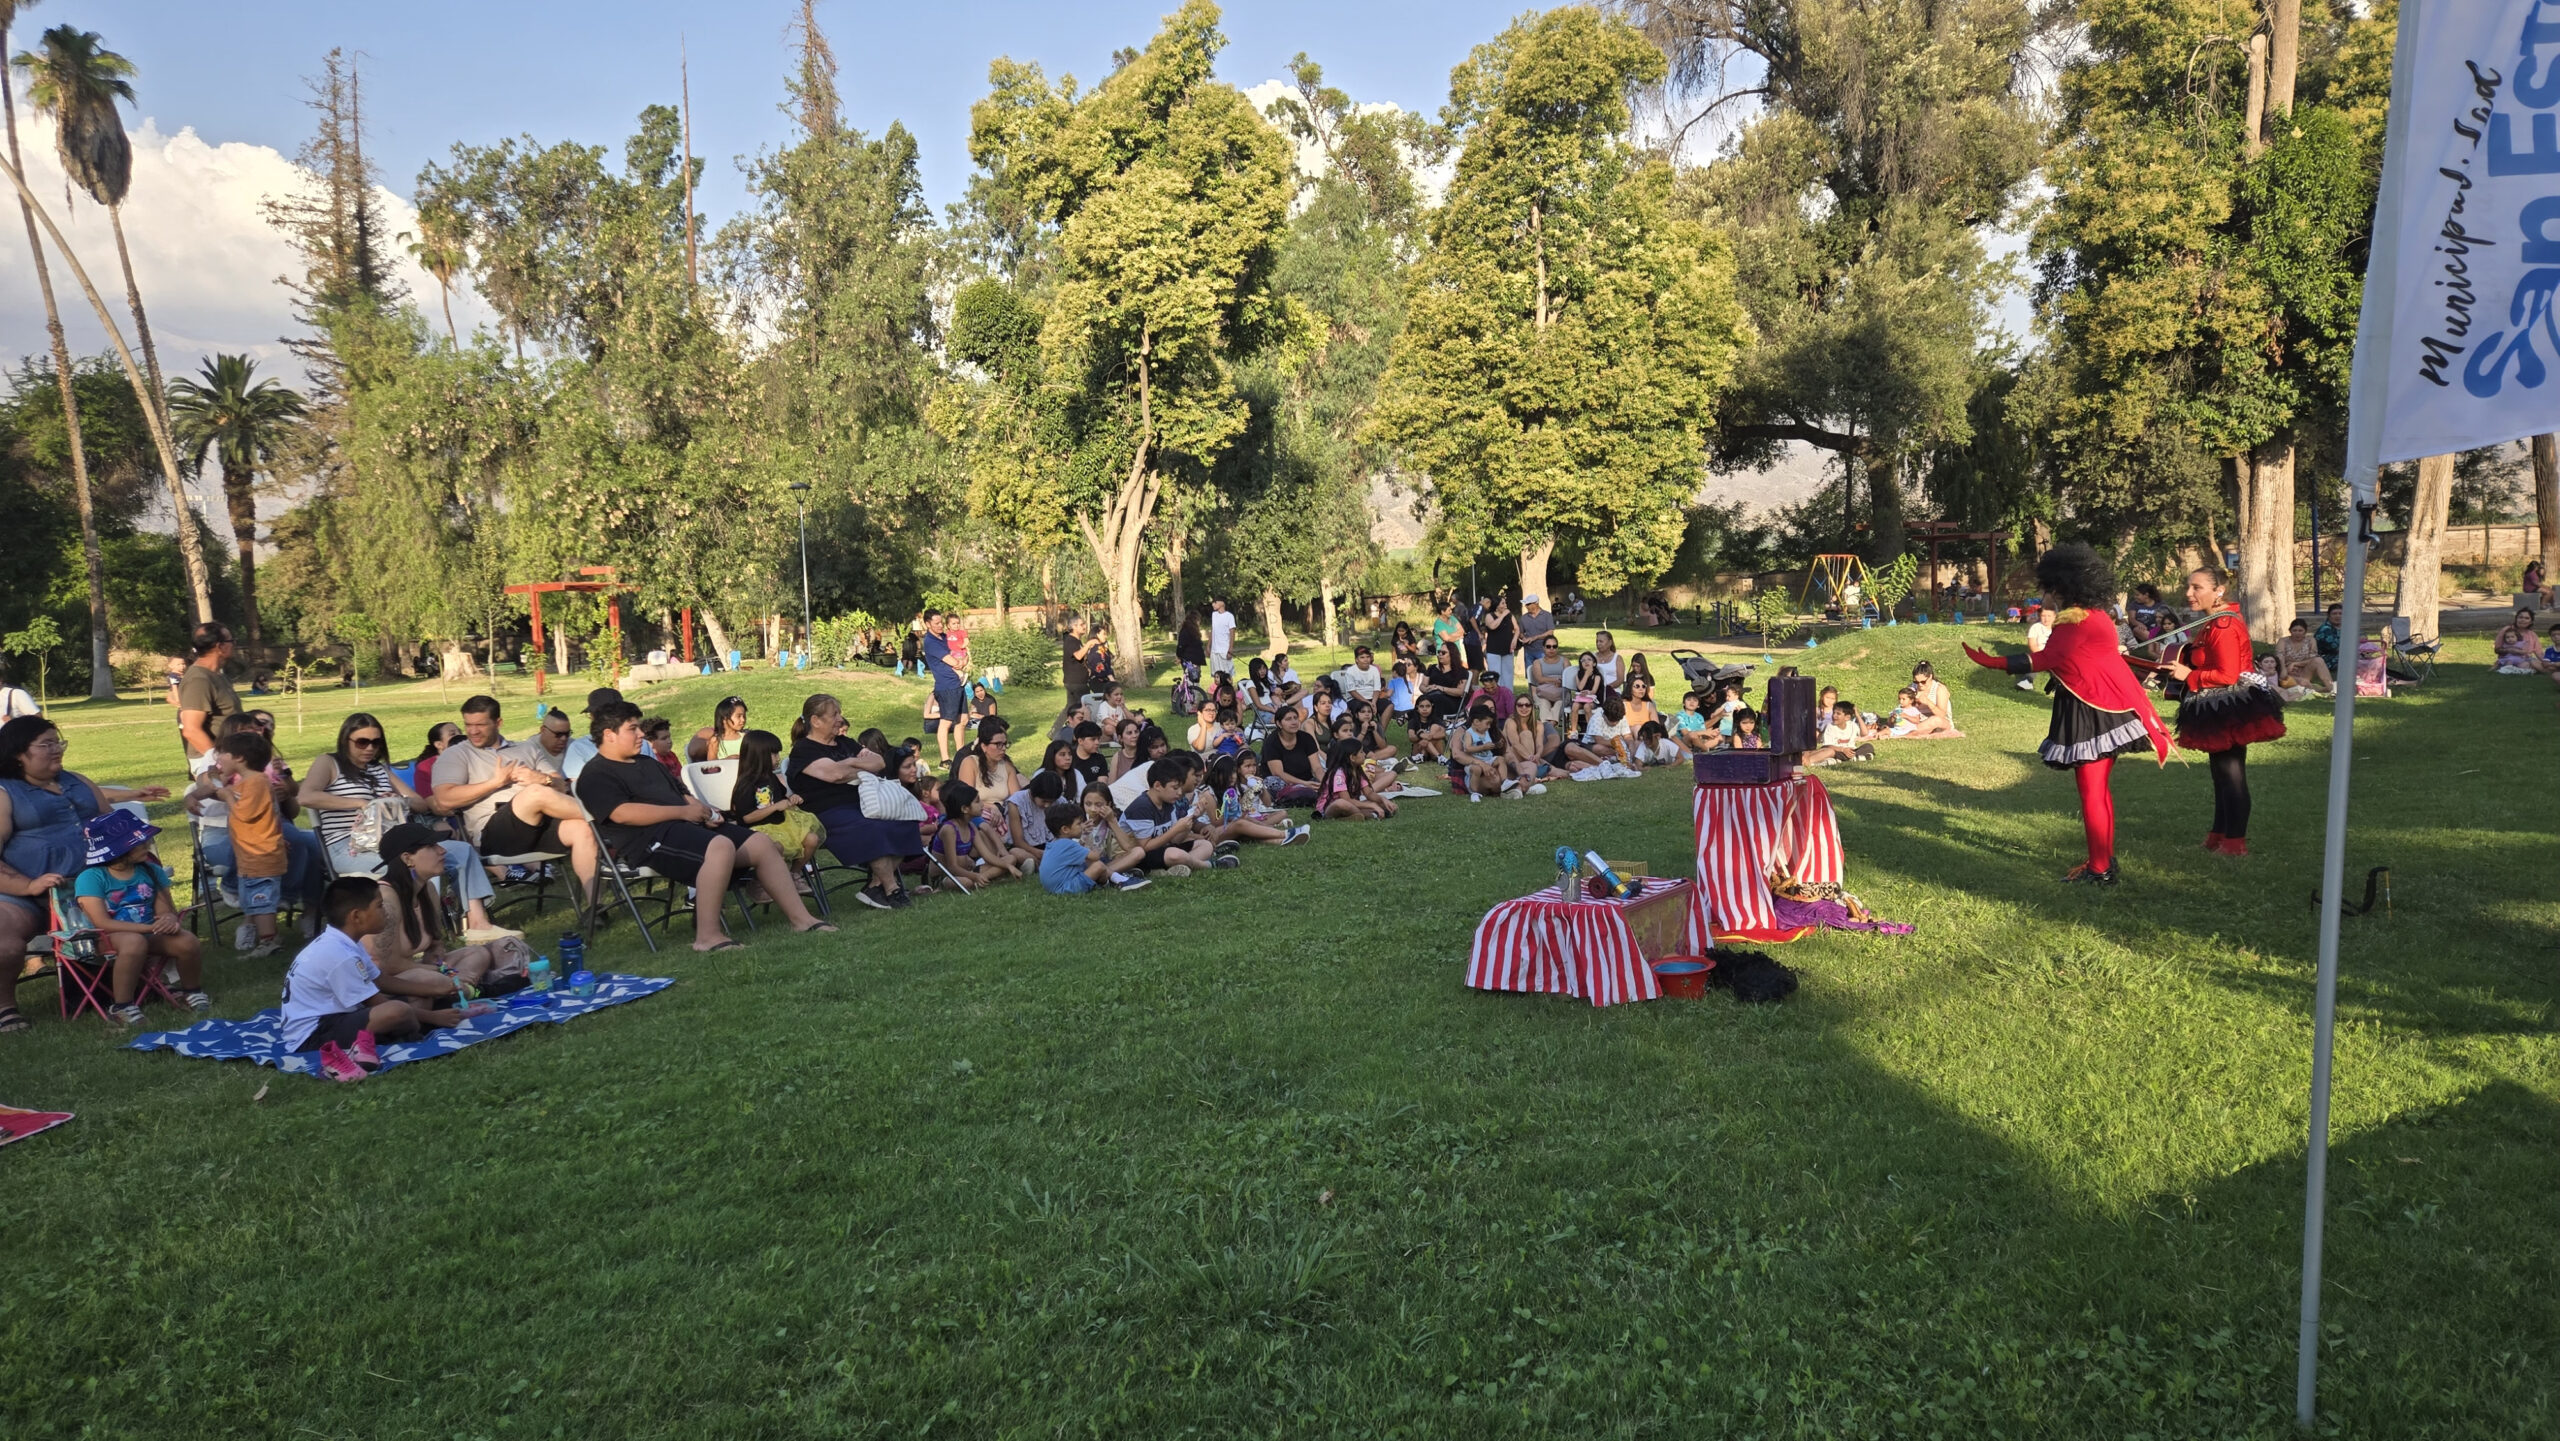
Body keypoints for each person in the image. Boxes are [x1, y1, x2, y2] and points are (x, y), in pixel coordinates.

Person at [1963, 544, 2172, 883]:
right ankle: (2102, 861)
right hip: (2099, 707)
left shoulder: (2075, 622)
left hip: (2093, 711)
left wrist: (1993, 662)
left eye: (2050, 588)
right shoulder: (2097, 615)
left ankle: (2100, 869)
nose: (2048, 594)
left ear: (2063, 586)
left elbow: (2044, 659)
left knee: (2092, 791)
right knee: (2098, 791)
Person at [576, 700, 835, 950]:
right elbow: (622, 813)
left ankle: (802, 920)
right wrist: (683, 812)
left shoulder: (648, 763)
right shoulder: (596, 774)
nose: (641, 734)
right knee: (720, 846)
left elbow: (681, 792)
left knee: (760, 843)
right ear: (609, 734)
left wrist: (705, 812)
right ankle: (707, 937)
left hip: (687, 826)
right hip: (649, 840)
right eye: (632, 729)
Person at [0, 716, 169, 1034]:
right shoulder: (5, 792)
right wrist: (27, 884)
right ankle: (4, 1007)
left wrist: (140, 860)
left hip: (98, 886)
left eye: (58, 741)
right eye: (46, 744)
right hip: (28, 891)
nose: (57, 749)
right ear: (18, 754)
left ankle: (153, 983)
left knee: (153, 904)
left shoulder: (78, 781)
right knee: (3, 941)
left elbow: (116, 829)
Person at [300, 712, 498, 931]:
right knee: (418, 863)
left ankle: (479, 924)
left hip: (394, 845)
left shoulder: (380, 769)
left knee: (461, 851)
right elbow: (306, 796)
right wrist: (361, 802)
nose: (369, 748)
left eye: (376, 742)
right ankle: (423, 931)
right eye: (362, 742)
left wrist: (398, 801)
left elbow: (420, 804)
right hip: (349, 847)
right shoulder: (329, 763)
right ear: (346, 740)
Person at [281, 877, 476, 1082]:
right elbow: (378, 1002)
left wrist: (436, 990)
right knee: (397, 1011)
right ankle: (413, 1028)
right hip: (314, 1035)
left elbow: (381, 980)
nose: (386, 912)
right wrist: (433, 1017)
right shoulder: (339, 955)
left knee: (420, 991)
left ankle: (408, 1025)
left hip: (341, 1016)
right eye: (380, 906)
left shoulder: (346, 942)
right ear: (357, 916)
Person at [2156, 566, 2286, 856]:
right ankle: (2219, 834)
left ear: (2218, 591)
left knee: (2231, 772)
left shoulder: (2224, 625)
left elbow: (2227, 675)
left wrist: (2188, 674)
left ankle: (2234, 842)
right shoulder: (2214, 621)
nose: (2189, 593)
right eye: (2188, 587)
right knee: (2221, 772)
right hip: (2219, 702)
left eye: (2197, 587)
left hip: (2228, 704)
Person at [433, 696, 600, 899]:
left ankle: (595, 908)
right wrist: (495, 782)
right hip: (494, 836)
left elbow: (561, 786)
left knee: (582, 829)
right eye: (468, 725)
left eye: (480, 724)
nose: (473, 731)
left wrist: (541, 778)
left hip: (539, 827)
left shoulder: (526, 748)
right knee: (534, 793)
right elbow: (444, 799)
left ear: (498, 723)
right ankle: (609, 816)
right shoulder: (456, 754)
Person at [72, 809, 210, 1023]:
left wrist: (168, 919)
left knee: (187, 941)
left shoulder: (151, 870)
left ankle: (191, 991)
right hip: (106, 937)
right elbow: (101, 922)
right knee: (134, 942)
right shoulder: (91, 877)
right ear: (119, 850)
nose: (147, 844)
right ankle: (122, 1006)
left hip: (149, 932)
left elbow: (165, 908)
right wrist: (149, 929)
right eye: (139, 842)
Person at [788, 695, 921, 911]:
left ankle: (874, 887)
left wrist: (849, 763)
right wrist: (856, 765)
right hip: (827, 812)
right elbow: (835, 775)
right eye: (835, 714)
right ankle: (891, 889)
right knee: (870, 827)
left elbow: (879, 762)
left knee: (904, 819)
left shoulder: (844, 742)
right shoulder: (804, 750)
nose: (840, 719)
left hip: (864, 803)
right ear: (816, 720)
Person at [364, 824, 531, 994]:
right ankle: (465, 991)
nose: (442, 851)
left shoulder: (428, 891)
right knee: (429, 979)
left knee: (478, 953)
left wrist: (436, 952)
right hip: (383, 984)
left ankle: (460, 992)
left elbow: (436, 944)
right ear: (408, 859)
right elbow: (388, 966)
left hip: (417, 971)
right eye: (431, 846)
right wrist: (440, 971)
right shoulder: (386, 898)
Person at [182, 730, 292, 956]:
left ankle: (269, 942)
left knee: (261, 900)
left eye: (222, 754)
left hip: (261, 854)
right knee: (255, 897)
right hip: (252, 854)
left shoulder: (257, 783)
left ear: (239, 758)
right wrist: (193, 796)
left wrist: (226, 796)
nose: (217, 759)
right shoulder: (248, 783)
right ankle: (267, 937)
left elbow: (244, 812)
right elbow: (218, 792)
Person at [724, 729, 824, 876]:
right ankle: (766, 881)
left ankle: (794, 875)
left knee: (812, 839)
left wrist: (792, 799)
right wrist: (775, 807)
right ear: (759, 756)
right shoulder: (746, 784)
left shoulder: (771, 778)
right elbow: (747, 817)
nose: (778, 758)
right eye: (774, 754)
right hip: (758, 831)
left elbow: (781, 799)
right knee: (775, 848)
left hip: (783, 825)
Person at [931, 780, 1027, 890]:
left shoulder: (971, 826)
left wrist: (1009, 866)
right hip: (947, 874)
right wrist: (975, 876)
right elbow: (952, 867)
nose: (982, 804)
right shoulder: (949, 829)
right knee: (966, 882)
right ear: (965, 809)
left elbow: (987, 856)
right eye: (977, 802)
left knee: (1010, 859)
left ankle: (982, 879)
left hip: (966, 871)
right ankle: (977, 880)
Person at [1038, 801, 1150, 894]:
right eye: (1079, 824)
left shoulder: (1055, 843)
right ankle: (1121, 881)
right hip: (1066, 888)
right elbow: (1095, 856)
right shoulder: (1066, 844)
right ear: (1065, 829)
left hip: (1057, 887)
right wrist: (1092, 844)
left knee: (1089, 863)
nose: (1082, 826)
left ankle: (1114, 879)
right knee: (1098, 865)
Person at [177, 621, 242, 761]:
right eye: (232, 641)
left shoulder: (216, 675)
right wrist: (219, 763)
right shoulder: (199, 680)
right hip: (211, 761)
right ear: (220, 647)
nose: (234, 645)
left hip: (230, 756)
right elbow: (191, 730)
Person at [921, 613, 967, 768]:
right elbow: (954, 662)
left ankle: (961, 756)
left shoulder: (945, 637)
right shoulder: (930, 642)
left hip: (958, 684)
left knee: (963, 720)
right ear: (928, 624)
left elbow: (961, 653)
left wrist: (963, 659)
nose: (940, 625)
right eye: (936, 623)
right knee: (946, 722)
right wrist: (960, 662)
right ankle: (945, 760)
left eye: (941, 622)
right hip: (946, 686)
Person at [1447, 702, 1518, 803]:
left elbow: (1489, 746)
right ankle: (1474, 792)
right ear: (1476, 721)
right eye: (1487, 723)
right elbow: (1467, 749)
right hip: (1474, 762)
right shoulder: (1468, 733)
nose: (1489, 726)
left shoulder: (1485, 732)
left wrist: (1497, 745)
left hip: (1488, 759)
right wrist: (1483, 748)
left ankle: (1504, 781)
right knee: (1476, 769)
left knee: (1501, 759)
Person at [1316, 738, 1396, 820]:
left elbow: (1369, 793)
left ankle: (1350, 817)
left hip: (1351, 805)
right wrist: (1371, 805)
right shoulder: (1339, 774)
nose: (1364, 754)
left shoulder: (1357, 770)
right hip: (1330, 808)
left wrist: (1382, 799)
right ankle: (1371, 815)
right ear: (1352, 757)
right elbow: (1346, 799)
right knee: (1341, 803)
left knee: (1384, 804)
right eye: (1361, 752)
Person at [1259, 706, 1324, 805]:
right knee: (1272, 782)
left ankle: (1302, 794)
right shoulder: (1271, 742)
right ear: (1279, 723)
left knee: (1325, 778)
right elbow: (1278, 773)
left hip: (1306, 780)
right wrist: (1304, 784)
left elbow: (1317, 767)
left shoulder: (1306, 738)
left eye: (1295, 718)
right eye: (1288, 719)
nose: (1294, 722)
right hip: (1283, 783)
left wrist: (1323, 782)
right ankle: (1301, 794)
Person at [2275, 618, 2338, 692]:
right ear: (2290, 631)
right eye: (2294, 630)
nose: (2297, 633)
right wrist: (2284, 669)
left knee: (2319, 660)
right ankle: (2318, 689)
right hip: (2288, 672)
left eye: (2300, 631)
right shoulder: (2283, 641)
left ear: (2305, 631)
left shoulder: (2310, 640)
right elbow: (2279, 656)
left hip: (2304, 670)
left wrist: (2295, 663)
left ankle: (2331, 687)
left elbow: (2313, 658)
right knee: (2303, 683)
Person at [687, 694, 752, 764]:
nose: (743, 720)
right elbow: (711, 765)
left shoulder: (746, 737)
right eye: (738, 716)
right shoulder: (715, 741)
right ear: (724, 718)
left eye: (744, 716)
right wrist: (727, 760)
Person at [411, 722, 463, 794]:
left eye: (460, 732)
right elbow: (432, 802)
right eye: (453, 734)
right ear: (439, 744)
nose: (460, 736)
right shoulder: (425, 768)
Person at [1482, 596, 1519, 689]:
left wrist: (1514, 639)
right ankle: (1497, 697)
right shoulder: (1489, 616)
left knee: (1508, 675)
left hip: (1507, 648)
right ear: (1497, 605)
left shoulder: (1510, 615)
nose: (1505, 605)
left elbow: (1517, 628)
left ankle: (1509, 695)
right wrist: (1502, 615)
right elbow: (1493, 626)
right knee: (1495, 675)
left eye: (1505, 603)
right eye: (1503, 603)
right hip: (1494, 650)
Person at [2019, 606, 2054, 690]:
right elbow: (2032, 645)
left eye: (2049, 616)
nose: (2046, 619)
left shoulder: (2060, 628)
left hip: (2055, 654)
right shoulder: (2035, 627)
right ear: (2040, 616)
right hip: (2040, 653)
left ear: (2054, 616)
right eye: (2043, 616)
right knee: (2035, 663)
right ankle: (2027, 681)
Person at [1208, 599, 1238, 678]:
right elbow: (1213, 630)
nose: (1213, 604)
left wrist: (1230, 649)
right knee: (1216, 675)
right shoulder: (1214, 615)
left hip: (1224, 650)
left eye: (1215, 602)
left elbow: (1232, 632)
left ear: (1222, 603)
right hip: (1215, 651)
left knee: (1227, 675)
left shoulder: (1229, 616)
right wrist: (1208, 646)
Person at [1176, 611, 1206, 687]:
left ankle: (1191, 693)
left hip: (1192, 660)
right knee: (1192, 679)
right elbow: (1181, 646)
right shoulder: (1187, 631)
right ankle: (1191, 695)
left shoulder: (1190, 631)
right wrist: (1179, 656)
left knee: (1193, 678)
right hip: (1190, 660)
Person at [2313, 604, 2344, 673]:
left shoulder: (2345, 626)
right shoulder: (2325, 630)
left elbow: (2361, 636)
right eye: (2334, 614)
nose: (2338, 616)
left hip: (2340, 655)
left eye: (2340, 613)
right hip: (2325, 659)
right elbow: (2338, 648)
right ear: (2328, 615)